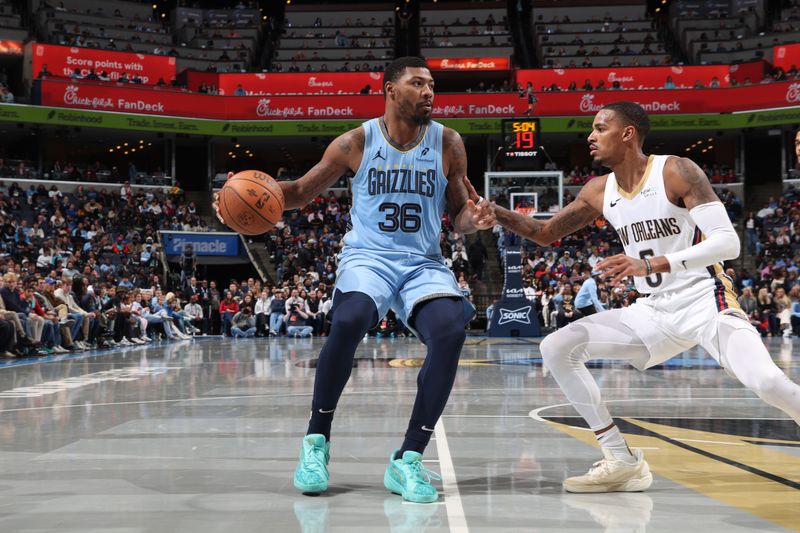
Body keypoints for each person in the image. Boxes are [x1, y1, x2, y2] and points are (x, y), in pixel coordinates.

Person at [214, 56, 493, 503]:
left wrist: (473, 219)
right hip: (369, 256)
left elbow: (460, 216)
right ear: (389, 90)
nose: (428, 92)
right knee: (349, 320)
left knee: (449, 330)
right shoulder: (354, 142)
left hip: (423, 260)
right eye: (417, 83)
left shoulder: (448, 143)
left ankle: (408, 460)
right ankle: (316, 441)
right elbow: (300, 192)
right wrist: (238, 195)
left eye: (432, 85)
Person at [483, 101, 800, 493]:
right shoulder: (599, 191)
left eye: (600, 128)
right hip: (653, 311)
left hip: (706, 300)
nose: (591, 136)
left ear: (628, 133)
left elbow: (728, 243)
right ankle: (620, 459)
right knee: (557, 346)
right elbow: (544, 233)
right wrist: (493, 210)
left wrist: (653, 265)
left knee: (768, 383)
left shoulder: (676, 170)